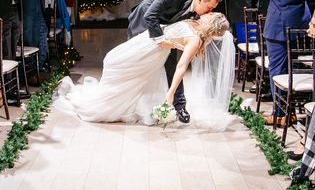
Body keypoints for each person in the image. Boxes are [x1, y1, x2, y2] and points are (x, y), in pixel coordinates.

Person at [55, 12, 235, 128]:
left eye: (213, 15)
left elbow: (181, 67)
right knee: (113, 60)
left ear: (211, 24)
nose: (210, 12)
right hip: (147, 40)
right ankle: (112, 96)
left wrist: (171, 93)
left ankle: (107, 103)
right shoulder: (195, 23)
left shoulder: (195, 40)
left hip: (151, 51)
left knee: (117, 65)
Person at [243, 0, 313, 125]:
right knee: (295, 67)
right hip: (301, 18)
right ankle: (291, 109)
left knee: (277, 69)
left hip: (279, 22)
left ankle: (281, 114)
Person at [127, 0, 223, 123]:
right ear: (200, 0)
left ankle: (180, 106)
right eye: (209, 8)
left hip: (167, 32)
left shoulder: (196, 10)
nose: (209, 12)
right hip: (142, 24)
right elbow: (150, 15)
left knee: (171, 65)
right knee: (136, 65)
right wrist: (161, 41)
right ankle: (131, 103)